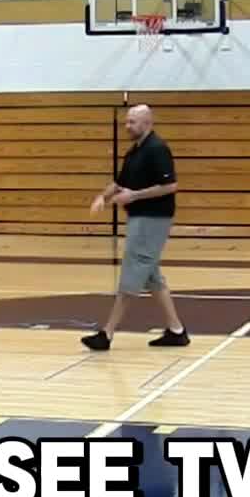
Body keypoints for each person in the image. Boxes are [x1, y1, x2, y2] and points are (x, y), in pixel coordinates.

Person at [81, 104, 189, 351]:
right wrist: (102, 197)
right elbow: (120, 183)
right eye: (127, 121)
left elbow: (170, 186)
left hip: (153, 219)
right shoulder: (134, 152)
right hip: (140, 218)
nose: (127, 126)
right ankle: (176, 331)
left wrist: (135, 196)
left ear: (147, 123)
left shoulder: (157, 149)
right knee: (151, 277)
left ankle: (106, 334)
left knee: (132, 275)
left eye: (132, 122)